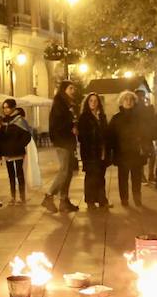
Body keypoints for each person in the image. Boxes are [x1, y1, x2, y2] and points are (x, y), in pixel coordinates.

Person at [45, 81, 80, 213]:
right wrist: (71, 126)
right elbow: (57, 125)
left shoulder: (68, 104)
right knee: (64, 171)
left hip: (68, 142)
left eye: (74, 88)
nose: (73, 90)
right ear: (64, 90)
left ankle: (64, 201)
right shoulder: (59, 105)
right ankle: (49, 196)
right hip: (62, 142)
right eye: (71, 88)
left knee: (69, 172)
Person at [109, 91, 148, 207]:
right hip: (122, 153)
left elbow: (146, 132)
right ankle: (124, 199)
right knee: (123, 178)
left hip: (136, 152)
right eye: (126, 99)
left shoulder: (140, 117)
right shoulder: (116, 118)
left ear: (134, 102)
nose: (128, 101)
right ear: (122, 102)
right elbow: (111, 135)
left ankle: (137, 197)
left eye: (131, 99)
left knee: (136, 177)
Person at [78, 92, 112, 209]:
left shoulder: (102, 116)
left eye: (95, 101)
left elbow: (106, 132)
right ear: (87, 103)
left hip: (102, 150)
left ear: (99, 103)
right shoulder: (84, 117)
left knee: (101, 176)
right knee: (91, 176)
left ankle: (102, 200)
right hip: (90, 152)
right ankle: (90, 201)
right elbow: (82, 137)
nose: (93, 103)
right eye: (91, 101)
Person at [0, 99, 34, 204]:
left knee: (19, 174)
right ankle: (13, 197)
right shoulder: (3, 120)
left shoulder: (19, 120)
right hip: (7, 151)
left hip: (17, 151)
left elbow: (27, 135)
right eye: (4, 107)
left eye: (7, 107)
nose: (5, 110)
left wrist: (19, 144)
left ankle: (22, 197)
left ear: (13, 107)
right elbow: (1, 137)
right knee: (11, 175)